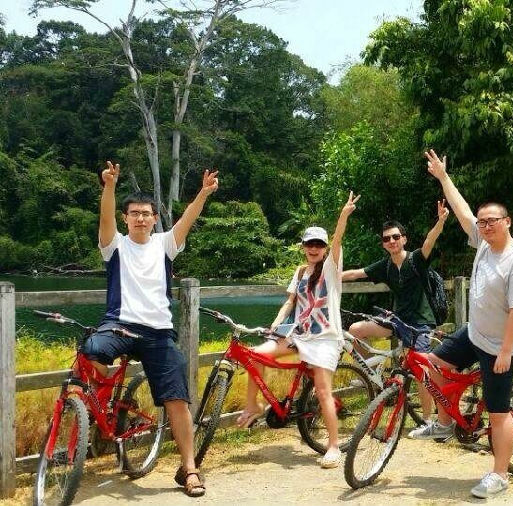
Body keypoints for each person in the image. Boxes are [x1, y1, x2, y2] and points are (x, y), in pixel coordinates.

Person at [81, 161, 217, 496]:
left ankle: (189, 469)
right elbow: (105, 219)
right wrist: (109, 186)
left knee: (177, 400)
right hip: (120, 325)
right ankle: (100, 406)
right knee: (92, 349)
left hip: (158, 332)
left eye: (146, 213)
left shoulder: (165, 244)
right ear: (126, 218)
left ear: (155, 218)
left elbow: (187, 220)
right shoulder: (114, 245)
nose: (140, 218)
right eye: (134, 213)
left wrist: (203, 193)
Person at [409, 149, 513, 499]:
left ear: (507, 222)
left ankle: (500, 474)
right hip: (475, 333)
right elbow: (462, 210)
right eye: (482, 222)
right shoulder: (483, 244)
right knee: (433, 364)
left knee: (498, 412)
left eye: (492, 220)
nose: (485, 225)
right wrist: (443, 177)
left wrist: (506, 352)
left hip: (501, 345)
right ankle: (445, 423)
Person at [235, 192, 360, 469]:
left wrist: (343, 216)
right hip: (299, 335)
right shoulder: (301, 272)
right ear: (303, 246)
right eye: (309, 244)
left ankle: (333, 446)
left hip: (325, 338)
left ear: (325, 248)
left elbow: (338, 240)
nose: (314, 248)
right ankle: (254, 404)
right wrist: (276, 323)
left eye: (319, 244)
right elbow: (290, 302)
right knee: (255, 354)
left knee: (323, 392)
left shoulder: (330, 269)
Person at [342, 200, 450, 427]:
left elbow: (429, 241)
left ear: (404, 239)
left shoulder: (416, 260)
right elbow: (355, 274)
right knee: (355, 330)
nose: (391, 241)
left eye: (395, 237)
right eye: (386, 239)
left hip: (421, 323)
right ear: (383, 244)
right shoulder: (385, 266)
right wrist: (325, 277)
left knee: (421, 371)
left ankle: (427, 421)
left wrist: (440, 221)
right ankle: (372, 375)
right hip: (398, 320)